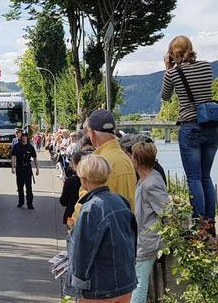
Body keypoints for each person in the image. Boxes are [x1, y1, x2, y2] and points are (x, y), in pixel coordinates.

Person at [161, 35, 216, 231]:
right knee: (206, 177)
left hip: (190, 126)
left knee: (193, 178)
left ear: (171, 54)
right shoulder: (207, 66)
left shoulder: (173, 73)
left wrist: (169, 69)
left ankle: (199, 225)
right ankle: (210, 223)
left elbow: (165, 97)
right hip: (211, 125)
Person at [65, 154, 137, 302]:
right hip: (125, 281)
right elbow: (132, 239)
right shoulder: (121, 201)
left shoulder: (90, 209)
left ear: (84, 180)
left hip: (100, 287)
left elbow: (83, 252)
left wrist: (78, 285)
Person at [130, 142, 169, 303]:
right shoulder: (148, 178)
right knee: (138, 281)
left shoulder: (150, 183)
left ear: (137, 160)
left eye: (132, 156)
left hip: (147, 241)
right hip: (143, 239)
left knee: (139, 283)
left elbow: (166, 212)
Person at [83, 109, 136, 211]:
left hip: (103, 224)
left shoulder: (97, 163)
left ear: (92, 133)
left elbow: (86, 203)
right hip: (126, 223)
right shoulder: (125, 159)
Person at [59, 151, 90, 228]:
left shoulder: (70, 181)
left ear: (74, 165)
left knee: (71, 235)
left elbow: (63, 201)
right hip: (88, 217)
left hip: (71, 215)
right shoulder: (93, 181)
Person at [11, 134, 39, 209]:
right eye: (22, 137)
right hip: (19, 168)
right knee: (20, 187)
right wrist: (12, 167)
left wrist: (37, 169)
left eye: (25, 137)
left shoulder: (30, 147)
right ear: (21, 138)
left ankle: (30, 203)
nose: (24, 139)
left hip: (27, 169)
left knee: (28, 187)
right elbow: (13, 157)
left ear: (27, 138)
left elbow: (35, 158)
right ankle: (21, 202)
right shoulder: (16, 146)